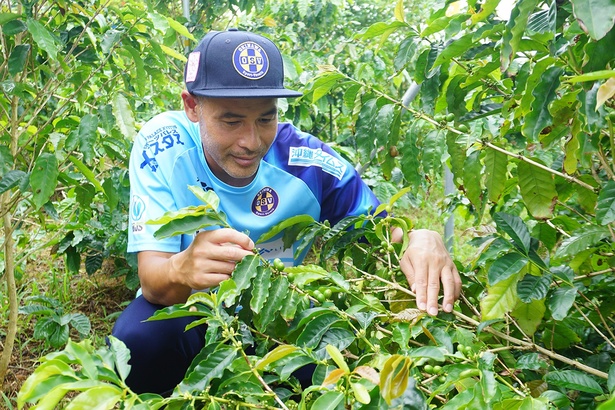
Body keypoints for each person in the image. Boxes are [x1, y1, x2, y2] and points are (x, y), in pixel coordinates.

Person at [112, 28, 461, 395]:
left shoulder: (306, 161)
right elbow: (153, 280)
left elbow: (385, 235)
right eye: (231, 121)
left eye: (265, 119)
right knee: (141, 340)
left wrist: (421, 237)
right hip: (192, 310)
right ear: (192, 106)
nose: (251, 141)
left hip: (280, 320)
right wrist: (182, 269)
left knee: (351, 386)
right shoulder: (163, 145)